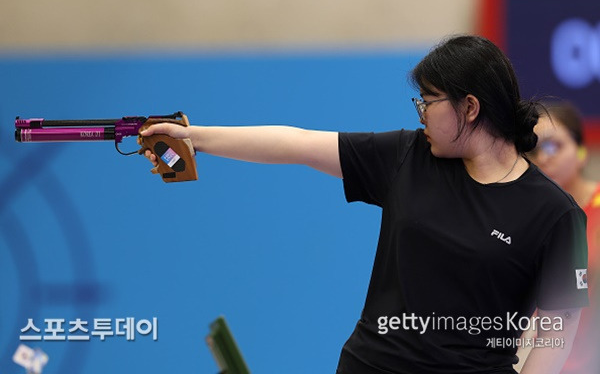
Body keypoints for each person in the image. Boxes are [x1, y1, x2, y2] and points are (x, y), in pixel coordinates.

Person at [141, 35, 588, 374]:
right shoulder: (406, 157)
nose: (421, 115)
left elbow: (557, 332)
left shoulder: (555, 214)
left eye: (428, 102)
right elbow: (296, 143)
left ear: (469, 108)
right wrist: (194, 136)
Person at [528, 101, 600, 373]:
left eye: (553, 146)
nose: (543, 158)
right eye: (533, 149)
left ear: (581, 152)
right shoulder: (522, 217)